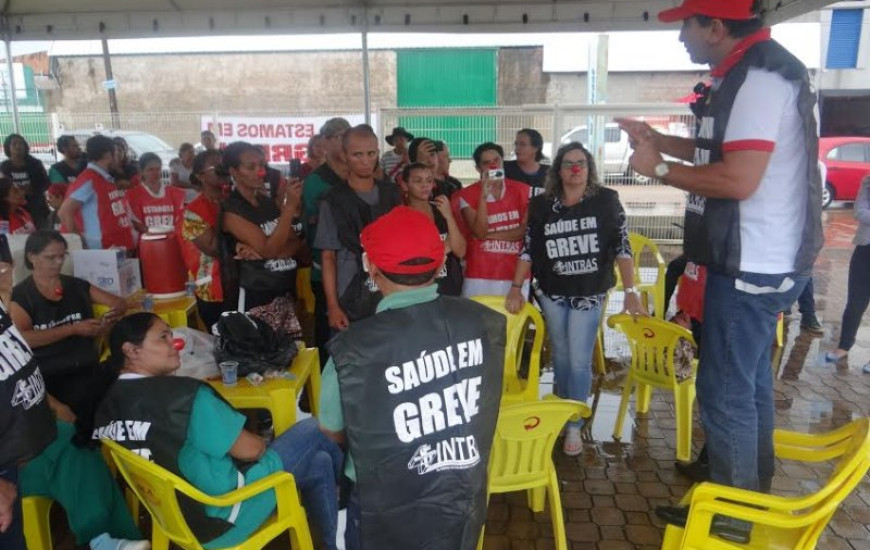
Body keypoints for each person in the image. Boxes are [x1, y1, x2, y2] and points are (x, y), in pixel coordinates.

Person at [621, 0, 823, 541]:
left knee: (726, 391)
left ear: (715, 27)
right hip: (763, 258)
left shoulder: (758, 80)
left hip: (753, 262)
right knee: (748, 383)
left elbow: (737, 180)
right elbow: (720, 147)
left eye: (686, 25)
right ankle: (748, 492)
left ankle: (732, 520)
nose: (680, 37)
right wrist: (659, 140)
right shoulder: (750, 72)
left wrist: (659, 168)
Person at [318, 206, 505, 550]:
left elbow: (331, 428)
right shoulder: (484, 321)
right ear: (440, 263)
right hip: (459, 494)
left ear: (371, 268)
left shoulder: (352, 350)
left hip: (383, 507)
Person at [92, 312, 342, 550]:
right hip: (225, 513)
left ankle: (339, 543)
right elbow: (252, 450)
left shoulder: (109, 403)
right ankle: (353, 501)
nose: (175, 344)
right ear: (131, 350)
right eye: (162, 337)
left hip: (174, 517)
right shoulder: (183, 397)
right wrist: (260, 440)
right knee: (316, 428)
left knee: (319, 462)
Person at [505, 143, 644, 455]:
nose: (575, 169)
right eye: (568, 163)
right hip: (552, 291)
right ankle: (564, 408)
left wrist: (631, 292)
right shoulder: (541, 205)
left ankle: (574, 423)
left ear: (589, 167)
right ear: (558, 170)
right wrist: (515, 286)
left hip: (588, 292)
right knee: (562, 356)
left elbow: (622, 246)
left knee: (579, 360)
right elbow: (528, 248)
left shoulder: (606, 200)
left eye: (581, 162)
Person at [0, 257, 148, 550]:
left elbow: (17, 375)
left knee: (76, 440)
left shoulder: (5, 313)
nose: (5, 275)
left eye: (5, 267)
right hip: (11, 462)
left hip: (28, 440)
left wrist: (54, 406)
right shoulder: (24, 301)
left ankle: (105, 538)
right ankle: (101, 537)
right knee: (73, 451)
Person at [10, 231, 127, 419]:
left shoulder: (76, 286)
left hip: (87, 368)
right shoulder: (22, 296)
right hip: (50, 376)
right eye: (51, 257)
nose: (58, 262)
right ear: (32, 257)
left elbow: (118, 302)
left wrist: (108, 319)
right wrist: (73, 329)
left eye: (62, 256)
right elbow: (22, 338)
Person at [315, 125, 401, 330]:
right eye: (357, 155)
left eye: (370, 154)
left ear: (378, 153)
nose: (365, 161)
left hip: (390, 287)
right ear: (344, 155)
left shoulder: (392, 194)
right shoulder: (332, 200)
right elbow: (328, 257)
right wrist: (333, 306)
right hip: (350, 294)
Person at [220, 141, 303, 325]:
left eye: (262, 165)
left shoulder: (266, 202)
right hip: (255, 296)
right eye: (251, 167)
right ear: (234, 171)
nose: (261, 172)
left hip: (283, 289)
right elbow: (269, 250)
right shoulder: (231, 210)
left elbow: (295, 242)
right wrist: (289, 208)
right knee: (261, 341)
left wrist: (272, 252)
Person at [455, 142, 530, 298]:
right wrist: (483, 196)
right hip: (479, 274)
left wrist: (487, 236)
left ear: (503, 161)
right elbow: (479, 232)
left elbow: (522, 232)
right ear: (478, 169)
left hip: (515, 274)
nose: (493, 166)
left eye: (496, 160)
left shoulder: (522, 190)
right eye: (486, 163)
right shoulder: (467, 194)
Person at [303, 118, 350, 361]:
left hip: (357, 269)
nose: (345, 143)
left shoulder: (359, 174)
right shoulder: (316, 180)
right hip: (326, 268)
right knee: (329, 337)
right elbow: (316, 225)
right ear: (326, 141)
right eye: (340, 136)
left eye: (348, 136)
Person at [58, 135, 136, 252]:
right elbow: (64, 213)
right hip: (97, 252)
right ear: (107, 155)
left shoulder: (103, 178)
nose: (118, 158)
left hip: (112, 249)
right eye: (116, 153)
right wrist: (82, 247)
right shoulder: (89, 180)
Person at [825, 175, 870, 373]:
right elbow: (860, 212)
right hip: (865, 250)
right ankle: (844, 346)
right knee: (855, 304)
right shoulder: (868, 182)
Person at [181, 150, 230, 330]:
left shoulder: (235, 199)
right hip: (212, 288)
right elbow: (214, 249)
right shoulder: (193, 211)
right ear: (200, 176)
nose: (223, 169)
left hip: (242, 283)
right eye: (217, 166)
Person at [401, 162, 466, 296]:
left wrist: (449, 216)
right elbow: (409, 257)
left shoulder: (441, 210)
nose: (424, 185)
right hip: (417, 289)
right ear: (405, 185)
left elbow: (461, 251)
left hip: (449, 286)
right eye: (418, 181)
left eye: (429, 180)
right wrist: (442, 248)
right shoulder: (400, 216)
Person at [126, 152, 185, 233]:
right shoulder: (133, 195)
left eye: (158, 169)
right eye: (151, 170)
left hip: (172, 238)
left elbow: (181, 220)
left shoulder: (175, 193)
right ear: (141, 172)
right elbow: (136, 224)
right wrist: (156, 234)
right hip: (147, 240)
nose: (155, 173)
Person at [1, 134, 50, 228]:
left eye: (21, 143)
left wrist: (32, 189)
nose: (18, 146)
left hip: (37, 207)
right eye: (14, 144)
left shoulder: (35, 164)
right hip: (15, 209)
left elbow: (46, 183)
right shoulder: (5, 166)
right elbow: (4, 187)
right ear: (8, 147)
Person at [504, 128, 549, 194]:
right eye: (516, 144)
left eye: (522, 144)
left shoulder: (549, 173)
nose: (517, 148)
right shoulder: (504, 168)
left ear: (535, 148)